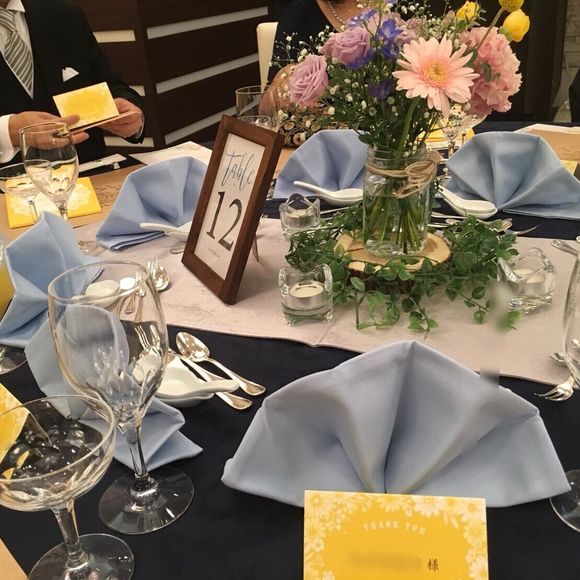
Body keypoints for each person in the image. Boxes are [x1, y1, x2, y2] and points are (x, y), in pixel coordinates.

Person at [0, 0, 144, 166]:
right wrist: (7, 131)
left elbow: (111, 86)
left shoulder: (65, 15)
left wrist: (130, 114)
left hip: (88, 173)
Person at [268, 0, 360, 146]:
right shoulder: (298, 13)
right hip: (316, 148)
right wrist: (279, 87)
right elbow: (266, 112)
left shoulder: (393, 10)